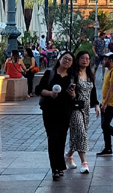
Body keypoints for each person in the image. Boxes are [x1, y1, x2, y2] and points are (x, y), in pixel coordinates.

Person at [36, 51, 76, 180]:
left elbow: (76, 96)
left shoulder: (72, 77)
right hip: (50, 111)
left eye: (70, 60)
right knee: (53, 138)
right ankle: (55, 168)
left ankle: (60, 166)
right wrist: (50, 94)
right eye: (65, 58)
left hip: (65, 112)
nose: (67, 61)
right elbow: (38, 89)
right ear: (59, 59)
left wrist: (73, 95)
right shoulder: (50, 74)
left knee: (61, 138)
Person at [65, 51, 100, 174]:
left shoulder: (90, 75)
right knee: (81, 133)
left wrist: (96, 105)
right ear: (78, 60)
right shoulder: (73, 74)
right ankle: (84, 163)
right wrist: (72, 94)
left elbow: (93, 92)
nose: (85, 60)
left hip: (86, 108)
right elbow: (68, 89)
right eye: (82, 58)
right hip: (75, 108)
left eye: (87, 58)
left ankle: (68, 155)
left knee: (79, 134)